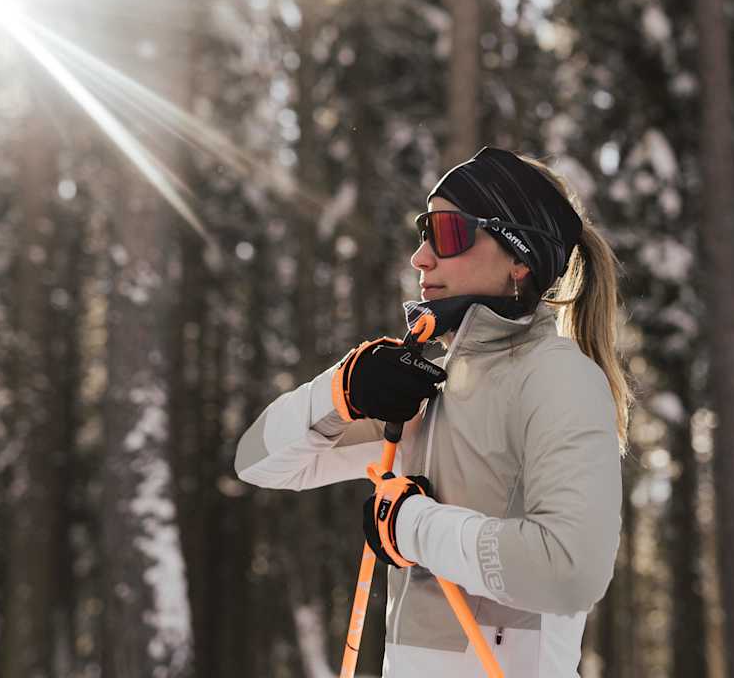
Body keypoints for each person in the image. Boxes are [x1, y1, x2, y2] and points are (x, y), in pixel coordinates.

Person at [235, 147, 630, 677]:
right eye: (424, 232)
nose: (421, 257)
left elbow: (570, 571)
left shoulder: (560, 378)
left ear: (520, 256)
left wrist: (410, 525)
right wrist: (341, 391)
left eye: (447, 233)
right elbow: (258, 461)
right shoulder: (425, 388)